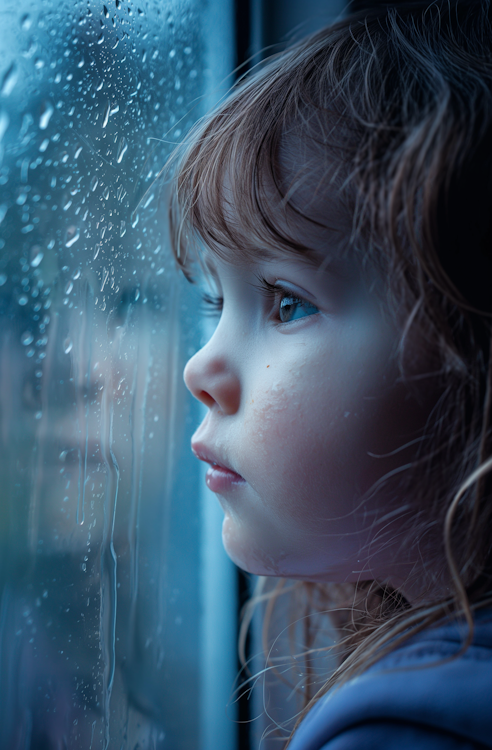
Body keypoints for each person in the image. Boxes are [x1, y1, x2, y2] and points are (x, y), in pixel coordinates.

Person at [170, 1, 492, 747]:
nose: (201, 367)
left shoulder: (410, 728)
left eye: (286, 304)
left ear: (471, 365)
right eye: (217, 301)